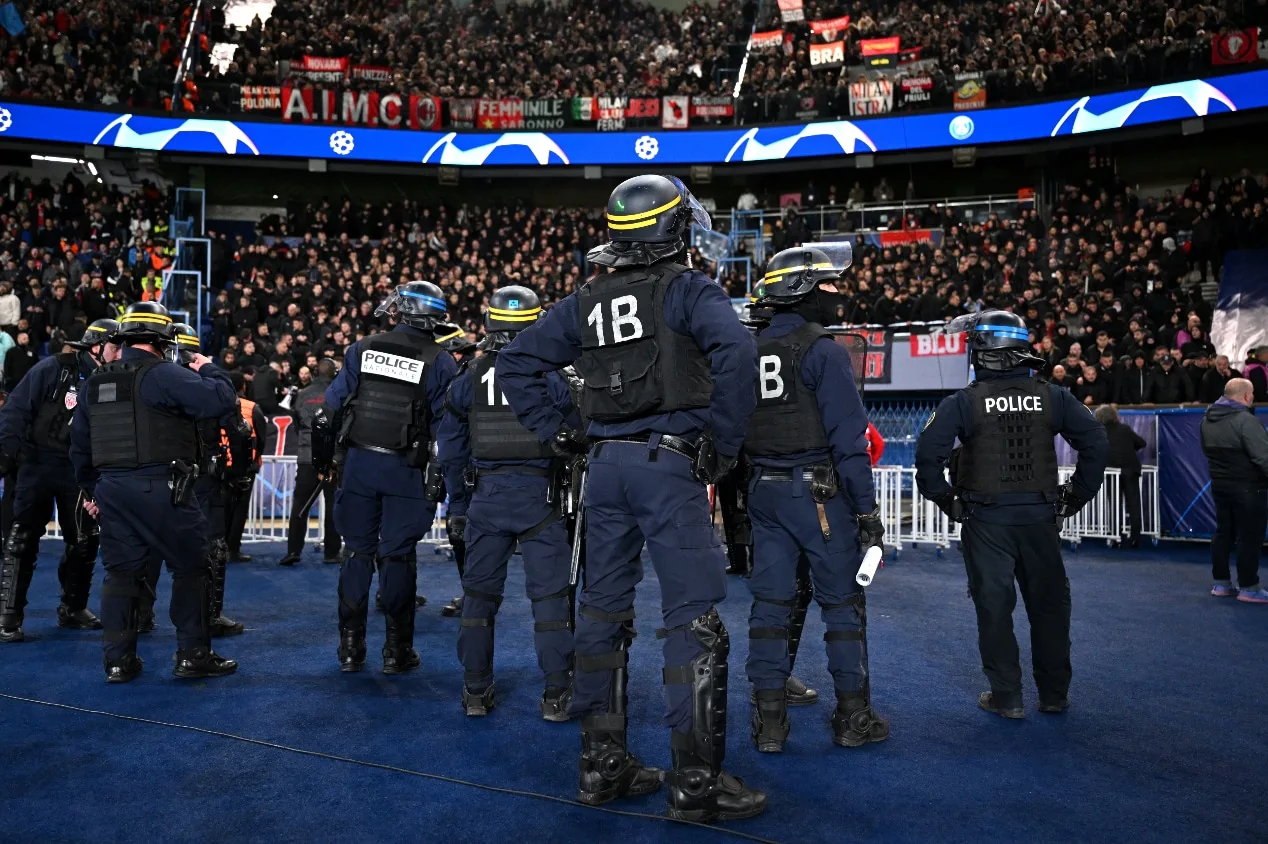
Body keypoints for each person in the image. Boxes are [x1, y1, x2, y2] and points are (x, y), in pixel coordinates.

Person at [497, 175, 766, 821]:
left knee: (601, 615)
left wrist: (560, 431)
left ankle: (602, 769)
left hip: (604, 471)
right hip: (668, 467)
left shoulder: (584, 301)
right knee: (692, 621)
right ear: (674, 228)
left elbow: (515, 363)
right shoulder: (689, 289)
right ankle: (696, 786)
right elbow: (736, 353)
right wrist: (724, 446)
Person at [916, 311, 1108, 717]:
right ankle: (1054, 695)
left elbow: (927, 456)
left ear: (985, 352)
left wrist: (948, 501)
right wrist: (1074, 498)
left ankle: (1008, 698)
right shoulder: (1054, 396)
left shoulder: (963, 402)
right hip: (1041, 518)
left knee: (994, 610)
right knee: (1051, 609)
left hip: (986, 522)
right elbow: (1096, 443)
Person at [741, 244, 888, 754]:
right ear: (802, 290)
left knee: (770, 607)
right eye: (828, 284)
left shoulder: (746, 349)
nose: (837, 291)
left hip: (764, 493)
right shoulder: (823, 350)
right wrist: (867, 512)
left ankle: (770, 726)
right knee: (842, 608)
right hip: (819, 497)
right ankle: (853, 719)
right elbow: (850, 442)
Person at [69, 302, 239, 682]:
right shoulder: (165, 374)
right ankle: (193, 654)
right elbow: (222, 401)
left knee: (121, 575)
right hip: (163, 488)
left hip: (112, 490)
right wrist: (207, 367)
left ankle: (118, 662)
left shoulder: (94, 382)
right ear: (163, 339)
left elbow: (79, 446)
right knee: (192, 567)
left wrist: (92, 492)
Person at [436, 286, 577, 719]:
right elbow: (574, 438)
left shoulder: (468, 378)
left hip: (487, 499)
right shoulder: (554, 378)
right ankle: (556, 694)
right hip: (541, 498)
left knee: (478, 600)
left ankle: (476, 692)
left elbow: (452, 450)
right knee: (551, 603)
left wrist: (457, 505)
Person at [324, 280, 457, 674]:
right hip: (406, 471)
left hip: (360, 467)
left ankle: (350, 650)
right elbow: (446, 429)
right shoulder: (442, 360)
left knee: (357, 552)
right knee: (397, 556)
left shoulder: (361, 348)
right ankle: (397, 653)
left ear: (404, 310)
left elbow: (330, 409)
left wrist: (331, 460)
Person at [0, 319, 119, 642]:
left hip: (78, 471)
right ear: (96, 347)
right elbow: (15, 410)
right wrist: (8, 456)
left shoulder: (113, 381)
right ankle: (7, 616)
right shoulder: (51, 368)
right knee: (20, 540)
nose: (120, 352)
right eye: (115, 346)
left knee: (83, 541)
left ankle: (73, 608)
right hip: (36, 464)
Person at [1200, 378, 1268, 602]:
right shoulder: (1246, 420)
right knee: (1249, 536)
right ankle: (1249, 586)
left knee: (1223, 533)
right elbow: (1263, 458)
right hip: (1249, 487)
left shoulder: (1207, 419)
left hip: (1220, 485)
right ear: (1247, 396)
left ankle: (1221, 584)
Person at [281, 358, 342, 566]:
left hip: (307, 457)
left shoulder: (303, 395)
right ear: (334, 373)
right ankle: (332, 553)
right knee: (333, 504)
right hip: (332, 457)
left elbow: (297, 423)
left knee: (300, 504)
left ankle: (293, 551)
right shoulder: (338, 394)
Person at [1096, 405, 1147, 547]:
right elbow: (1142, 443)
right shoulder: (1124, 429)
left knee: (1114, 505)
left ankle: (1114, 537)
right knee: (1133, 504)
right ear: (1114, 416)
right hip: (1130, 470)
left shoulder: (1098, 432)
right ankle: (1135, 538)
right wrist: (1131, 448)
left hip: (1112, 472)